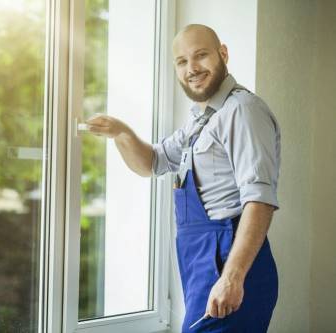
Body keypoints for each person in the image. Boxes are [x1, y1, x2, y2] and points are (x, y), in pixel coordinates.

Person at [85, 24, 280, 332]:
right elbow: (153, 162)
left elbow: (259, 200)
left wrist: (232, 277)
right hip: (202, 263)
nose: (192, 68)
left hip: (228, 260)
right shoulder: (201, 119)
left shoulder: (242, 111)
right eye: (182, 61)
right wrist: (121, 132)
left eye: (201, 55)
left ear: (223, 54)